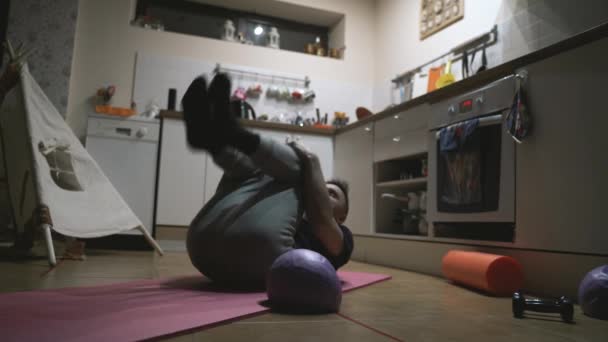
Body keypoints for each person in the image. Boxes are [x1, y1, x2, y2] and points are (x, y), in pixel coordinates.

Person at [182, 73, 354, 289]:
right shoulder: (289, 216)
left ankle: (231, 134)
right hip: (202, 248)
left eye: (332, 194)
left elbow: (321, 222)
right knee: (254, 173)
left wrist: (311, 161)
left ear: (342, 216)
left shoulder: (344, 238)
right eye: (324, 188)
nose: (321, 191)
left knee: (301, 170)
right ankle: (212, 140)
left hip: (266, 263)